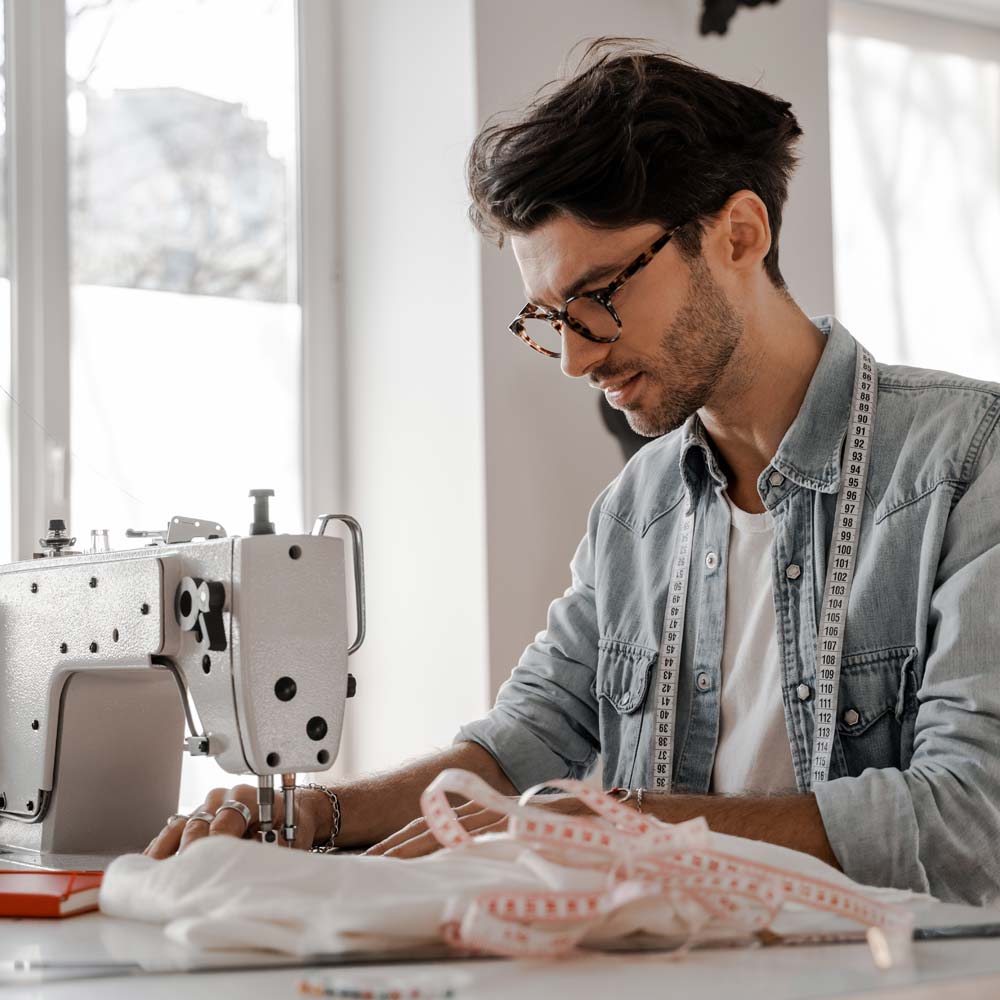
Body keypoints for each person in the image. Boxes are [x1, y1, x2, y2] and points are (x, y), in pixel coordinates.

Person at [147, 39, 1000, 906]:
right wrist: (304, 816)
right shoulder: (635, 512)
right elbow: (514, 751)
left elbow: (973, 820)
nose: (574, 358)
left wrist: (617, 826)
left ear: (739, 235)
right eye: (550, 318)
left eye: (599, 296)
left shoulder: (969, 462)